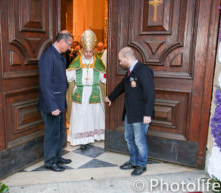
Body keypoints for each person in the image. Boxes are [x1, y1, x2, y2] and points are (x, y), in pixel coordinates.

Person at [105, 47, 155, 176]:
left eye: (120, 60)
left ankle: (141, 164)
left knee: (139, 140)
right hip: (130, 113)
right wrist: (110, 97)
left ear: (127, 58)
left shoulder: (144, 71)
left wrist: (148, 114)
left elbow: (150, 94)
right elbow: (122, 86)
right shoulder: (130, 71)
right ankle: (133, 161)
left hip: (141, 114)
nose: (120, 63)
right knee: (129, 137)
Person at [38, 30, 74, 172]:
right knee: (52, 134)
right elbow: (45, 84)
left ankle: (57, 157)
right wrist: (52, 106)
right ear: (61, 41)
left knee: (59, 132)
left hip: (59, 102)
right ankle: (50, 161)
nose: (70, 47)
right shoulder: (48, 56)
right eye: (69, 44)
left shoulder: (59, 56)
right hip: (50, 104)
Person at [66, 29, 106, 150]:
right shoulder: (76, 61)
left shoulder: (98, 61)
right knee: (81, 116)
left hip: (94, 92)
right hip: (80, 93)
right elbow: (68, 76)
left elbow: (104, 78)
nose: (88, 54)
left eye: (90, 51)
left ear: (93, 50)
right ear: (82, 50)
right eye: (86, 51)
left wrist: (105, 76)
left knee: (94, 115)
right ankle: (82, 139)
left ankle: (93, 136)